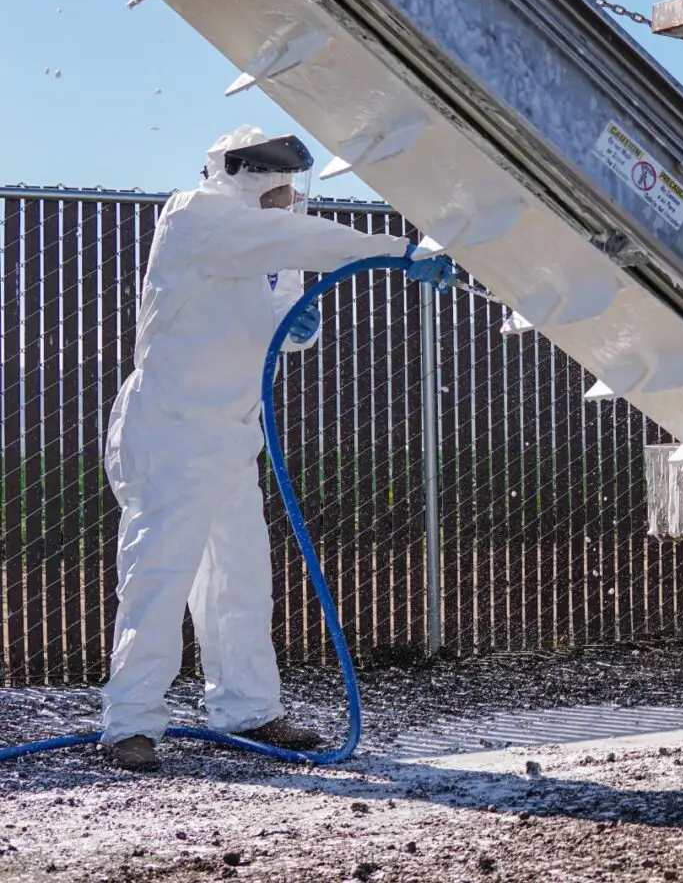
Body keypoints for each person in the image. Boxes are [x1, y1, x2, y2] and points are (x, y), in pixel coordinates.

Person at [100, 125, 454, 770]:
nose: (293, 198)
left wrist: (296, 328)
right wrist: (398, 250)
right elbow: (296, 242)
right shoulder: (196, 215)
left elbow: (281, 308)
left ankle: (249, 711)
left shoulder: (271, 238)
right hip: (172, 428)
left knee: (239, 579)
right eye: (282, 186)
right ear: (248, 176)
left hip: (233, 431)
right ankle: (131, 724)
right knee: (159, 576)